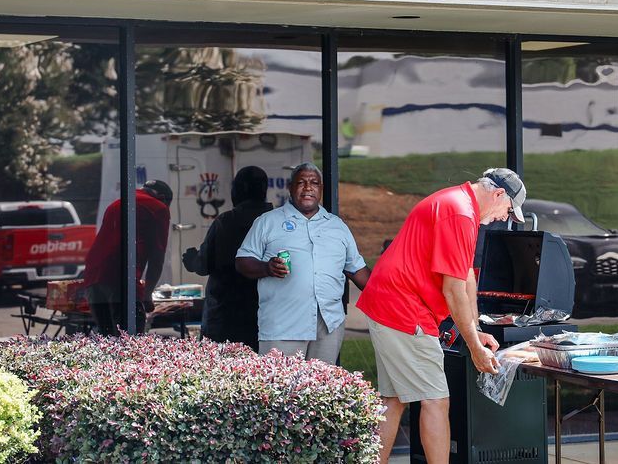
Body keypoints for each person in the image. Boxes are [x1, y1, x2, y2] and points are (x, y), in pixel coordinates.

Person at [356, 168, 527, 464]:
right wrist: (474, 347)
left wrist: (475, 329)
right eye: (508, 210)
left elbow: (465, 277)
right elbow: (453, 290)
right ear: (499, 194)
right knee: (435, 399)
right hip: (404, 308)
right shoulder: (460, 213)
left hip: (389, 302)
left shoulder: (459, 204)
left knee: (393, 400)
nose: (504, 217)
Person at [235, 162, 370, 364]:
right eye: (301, 183)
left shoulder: (337, 226)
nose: (308, 188)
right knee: (279, 389)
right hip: (283, 325)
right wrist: (266, 268)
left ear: (321, 189)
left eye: (314, 183)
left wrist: (393, 294)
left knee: (321, 389)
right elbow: (242, 261)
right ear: (290, 188)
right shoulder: (267, 222)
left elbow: (358, 271)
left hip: (328, 325)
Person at [182, 165, 271, 351]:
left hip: (226, 315)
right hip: (267, 314)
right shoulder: (277, 220)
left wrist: (192, 260)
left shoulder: (226, 222)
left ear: (239, 190)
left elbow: (204, 263)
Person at [82, 179, 172, 336]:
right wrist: (147, 294)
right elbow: (157, 257)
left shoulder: (119, 202)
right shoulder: (159, 208)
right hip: (120, 277)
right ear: (163, 198)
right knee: (131, 339)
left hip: (93, 276)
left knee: (108, 339)